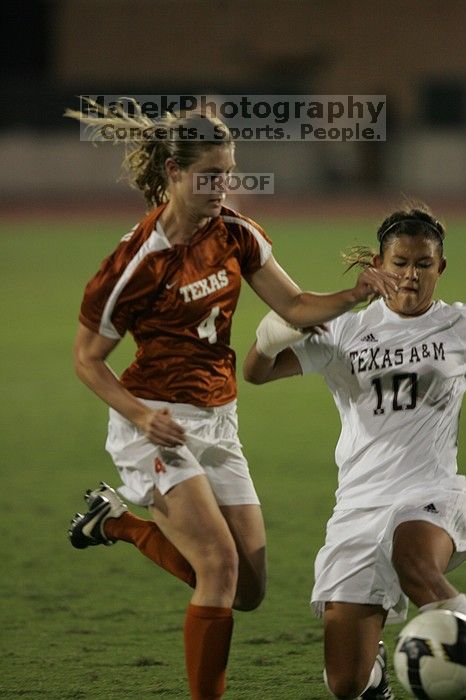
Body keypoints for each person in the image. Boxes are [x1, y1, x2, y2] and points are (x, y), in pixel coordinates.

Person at [65, 100, 398, 700]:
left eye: (229, 174)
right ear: (173, 172)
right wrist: (140, 414)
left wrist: (353, 293)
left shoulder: (236, 235)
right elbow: (87, 359)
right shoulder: (134, 264)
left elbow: (294, 307)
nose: (224, 187)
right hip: (153, 426)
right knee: (217, 567)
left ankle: (115, 523)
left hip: (218, 422)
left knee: (248, 589)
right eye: (210, 176)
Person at [243, 205, 466, 700]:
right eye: (401, 263)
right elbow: (256, 373)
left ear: (441, 268)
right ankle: (376, 679)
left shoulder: (458, 326)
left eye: (424, 265)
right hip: (359, 506)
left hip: (430, 490)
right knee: (345, 683)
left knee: (416, 559)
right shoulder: (345, 330)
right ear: (379, 265)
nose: (411, 276)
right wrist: (266, 338)